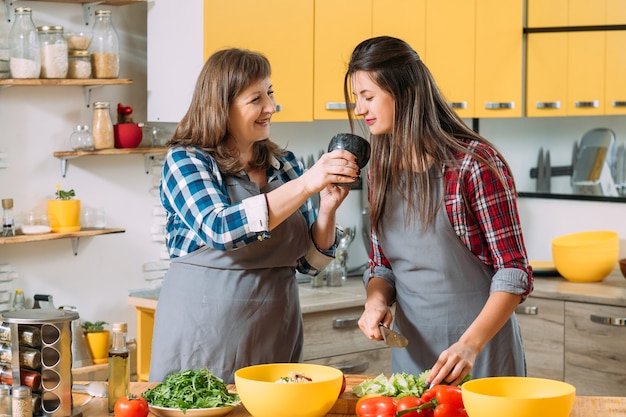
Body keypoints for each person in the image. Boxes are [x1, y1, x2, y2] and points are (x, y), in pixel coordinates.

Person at [149, 48, 359, 384]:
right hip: (204, 336)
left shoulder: (286, 164)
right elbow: (219, 229)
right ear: (222, 106)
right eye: (256, 99)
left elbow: (308, 264)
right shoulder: (187, 161)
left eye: (271, 94)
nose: (270, 107)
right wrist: (306, 185)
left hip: (277, 333)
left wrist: (327, 210)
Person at [343, 36, 533, 387]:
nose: (359, 109)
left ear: (404, 92)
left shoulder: (473, 165)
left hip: (480, 356)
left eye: (367, 97)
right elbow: (383, 265)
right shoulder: (380, 169)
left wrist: (469, 346)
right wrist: (375, 302)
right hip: (410, 361)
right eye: (357, 98)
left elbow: (513, 272)